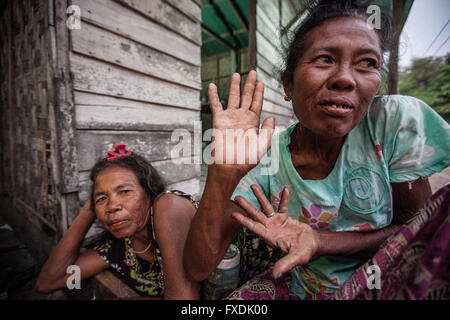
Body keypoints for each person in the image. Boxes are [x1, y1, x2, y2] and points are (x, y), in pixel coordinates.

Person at [184, 0, 450, 299]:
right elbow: (198, 268)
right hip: (304, 289)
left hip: (388, 283)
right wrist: (223, 171)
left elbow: (418, 232)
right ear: (288, 84)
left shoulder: (391, 123)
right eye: (325, 59)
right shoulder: (264, 156)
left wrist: (320, 241)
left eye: (367, 63)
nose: (345, 79)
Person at [35, 144, 199, 299]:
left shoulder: (169, 206)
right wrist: (87, 212)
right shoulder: (120, 246)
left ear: (149, 192)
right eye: (102, 198)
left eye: (125, 191)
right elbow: (48, 282)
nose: (112, 206)